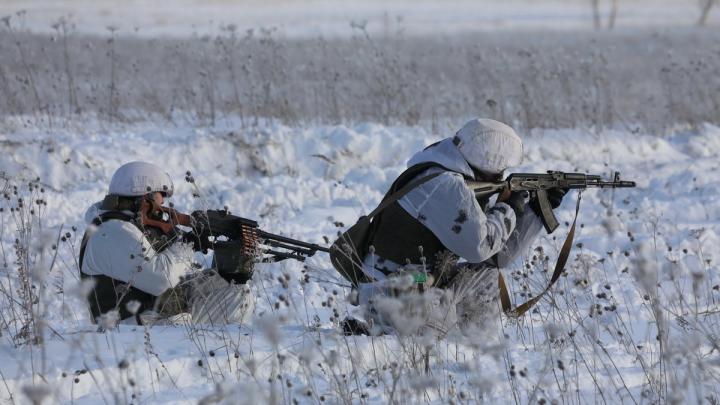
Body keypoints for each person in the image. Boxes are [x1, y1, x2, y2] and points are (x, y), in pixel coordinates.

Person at [341, 118, 567, 337]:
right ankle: (387, 335)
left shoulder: (438, 172)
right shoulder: (446, 185)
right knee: (433, 334)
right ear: (489, 163)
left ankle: (476, 348)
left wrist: (534, 212)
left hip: (410, 282)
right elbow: (480, 247)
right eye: (501, 170)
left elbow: (497, 257)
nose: (503, 175)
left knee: (486, 275)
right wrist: (508, 208)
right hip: (398, 288)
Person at [79, 161, 255, 326]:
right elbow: (161, 280)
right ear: (143, 198)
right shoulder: (111, 231)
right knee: (180, 319)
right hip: (126, 333)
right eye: (160, 195)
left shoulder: (135, 228)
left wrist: (226, 274)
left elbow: (180, 282)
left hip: (154, 318)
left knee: (237, 293)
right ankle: (214, 354)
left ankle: (225, 355)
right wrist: (189, 243)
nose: (163, 202)